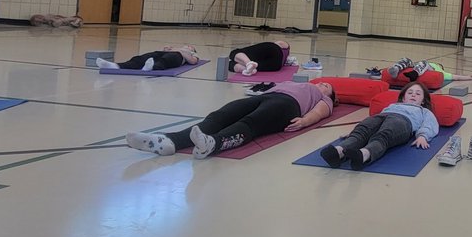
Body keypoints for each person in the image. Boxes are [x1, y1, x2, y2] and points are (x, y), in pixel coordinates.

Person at [126, 80, 336, 159]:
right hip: (266, 97)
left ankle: (214, 144)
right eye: (324, 82)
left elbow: (320, 112)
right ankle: (171, 141)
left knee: (250, 123)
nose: (324, 83)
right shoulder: (294, 83)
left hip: (288, 106)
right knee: (220, 115)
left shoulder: (323, 98)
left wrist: (305, 121)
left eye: (328, 86)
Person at [319, 82, 438, 170]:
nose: (413, 95)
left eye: (418, 94)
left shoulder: (423, 111)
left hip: (403, 121)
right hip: (384, 115)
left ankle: (364, 154)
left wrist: (422, 136)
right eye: (410, 93)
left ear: (423, 100)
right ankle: (339, 151)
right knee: (362, 131)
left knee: (383, 135)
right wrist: (354, 130)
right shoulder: (392, 105)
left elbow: (430, 124)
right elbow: (374, 122)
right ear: (403, 97)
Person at [98, 44, 199, 71]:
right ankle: (116, 65)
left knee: (165, 60)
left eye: (190, 46)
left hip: (178, 56)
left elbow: (193, 61)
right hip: (163, 52)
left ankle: (151, 67)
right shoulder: (178, 48)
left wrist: (179, 50)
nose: (188, 45)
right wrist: (167, 48)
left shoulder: (190, 53)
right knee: (142, 58)